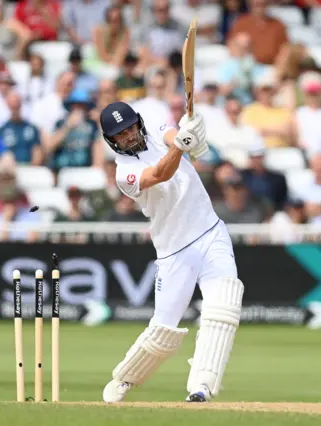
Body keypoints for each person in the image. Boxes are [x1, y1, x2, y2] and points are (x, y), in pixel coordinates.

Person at [98, 101, 243, 403]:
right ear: (111, 141)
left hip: (211, 232)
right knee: (164, 329)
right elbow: (161, 173)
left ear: (138, 122)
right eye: (120, 134)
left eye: (130, 127)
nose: (128, 135)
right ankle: (126, 377)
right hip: (175, 251)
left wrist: (194, 134)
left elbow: (177, 137)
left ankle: (202, 386)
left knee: (224, 306)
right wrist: (181, 146)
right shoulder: (124, 173)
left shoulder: (156, 130)